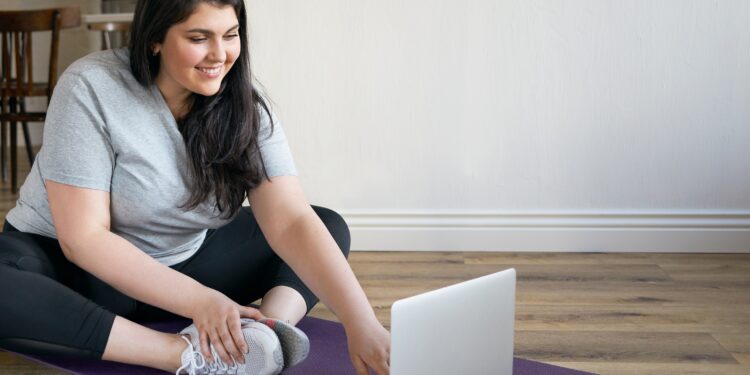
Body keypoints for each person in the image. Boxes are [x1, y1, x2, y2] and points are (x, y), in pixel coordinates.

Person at [0, 0, 391, 374]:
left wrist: (363, 324)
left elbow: (290, 222)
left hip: (182, 261)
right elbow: (83, 239)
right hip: (74, 269)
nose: (220, 54)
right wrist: (201, 300)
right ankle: (184, 356)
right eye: (199, 38)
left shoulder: (246, 108)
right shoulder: (91, 86)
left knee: (325, 226)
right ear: (155, 39)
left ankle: (261, 336)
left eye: (231, 34)